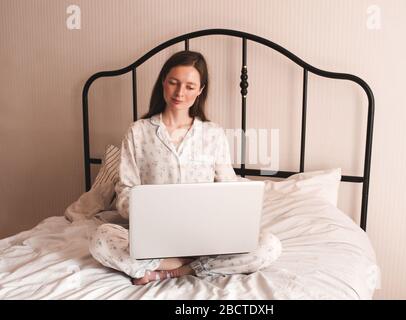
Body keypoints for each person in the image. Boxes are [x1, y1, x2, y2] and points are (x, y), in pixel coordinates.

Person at [89, 51, 282, 285]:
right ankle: (177, 262)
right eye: (174, 83)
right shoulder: (138, 131)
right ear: (163, 82)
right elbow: (126, 191)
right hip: (154, 236)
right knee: (101, 238)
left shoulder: (213, 134)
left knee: (269, 246)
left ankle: (175, 270)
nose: (180, 93)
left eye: (190, 87)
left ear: (200, 90)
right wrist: (150, 214)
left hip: (205, 238)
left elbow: (228, 189)